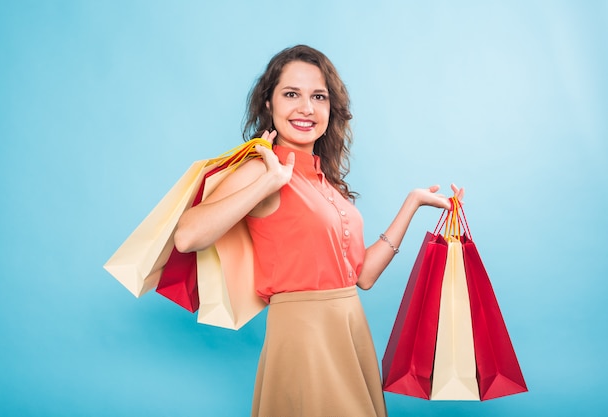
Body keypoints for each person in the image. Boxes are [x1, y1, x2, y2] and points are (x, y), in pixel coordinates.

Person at [173, 45, 463, 417]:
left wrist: (412, 204)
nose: (306, 108)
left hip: (350, 326)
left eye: (318, 96)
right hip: (303, 335)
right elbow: (187, 236)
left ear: (331, 109)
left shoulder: (328, 184)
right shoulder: (262, 169)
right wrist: (268, 182)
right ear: (268, 103)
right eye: (291, 94)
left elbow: (363, 277)